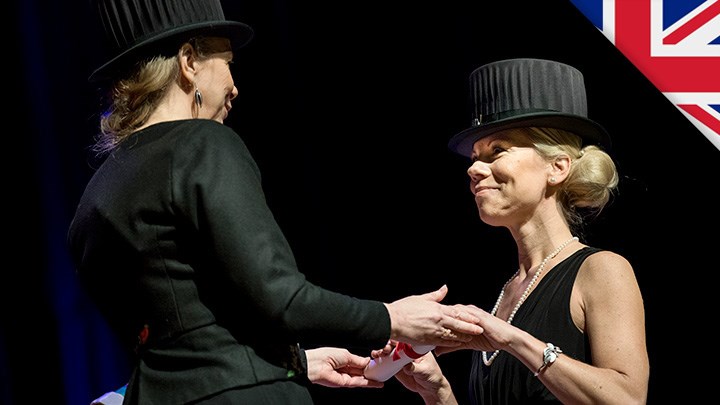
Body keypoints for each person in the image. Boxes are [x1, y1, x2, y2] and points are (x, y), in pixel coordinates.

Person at [67, 0, 484, 404]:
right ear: (189, 61)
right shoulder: (203, 144)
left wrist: (294, 362)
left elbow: (188, 334)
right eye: (227, 62)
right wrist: (392, 318)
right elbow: (279, 297)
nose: (234, 87)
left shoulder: (95, 196)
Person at [380, 58, 650, 404]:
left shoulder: (602, 270)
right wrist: (438, 393)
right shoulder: (509, 291)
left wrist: (511, 339)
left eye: (497, 151)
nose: (474, 168)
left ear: (557, 167)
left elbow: (627, 399)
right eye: (475, 156)